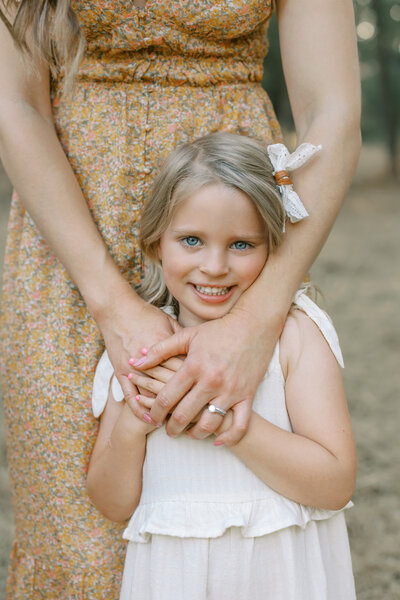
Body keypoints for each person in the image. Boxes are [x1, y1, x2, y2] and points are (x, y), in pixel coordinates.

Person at [0, 0, 361, 596]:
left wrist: (257, 315)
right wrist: (110, 303)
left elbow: (333, 110)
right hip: (68, 235)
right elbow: (15, 103)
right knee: (75, 538)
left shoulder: (240, 276)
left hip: (233, 197)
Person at [87, 133, 357, 600]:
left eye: (241, 245)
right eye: (192, 240)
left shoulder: (294, 336)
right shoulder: (141, 352)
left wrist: (224, 421)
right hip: (174, 581)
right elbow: (111, 503)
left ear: (274, 246)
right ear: (155, 245)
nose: (214, 266)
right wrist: (136, 421)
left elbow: (334, 483)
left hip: (281, 577)